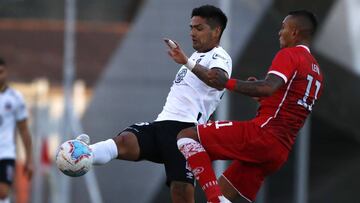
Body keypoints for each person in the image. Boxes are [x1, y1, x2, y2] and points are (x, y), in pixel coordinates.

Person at [76, 5, 232, 203]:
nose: (192, 33)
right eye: (191, 27)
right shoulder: (195, 56)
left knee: (181, 193)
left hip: (186, 134)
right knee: (124, 141)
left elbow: (218, 81)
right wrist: (188, 61)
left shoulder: (220, 56)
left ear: (216, 31)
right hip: (162, 124)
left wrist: (187, 62)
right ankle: (80, 155)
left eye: (199, 28)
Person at [173, 10, 323, 203]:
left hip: (262, 135)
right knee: (224, 194)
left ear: (294, 32)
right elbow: (291, 105)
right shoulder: (317, 72)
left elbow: (267, 87)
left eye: (283, 27)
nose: (279, 32)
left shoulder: (290, 54)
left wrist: (226, 82)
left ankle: (214, 198)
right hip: (279, 151)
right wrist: (261, 97)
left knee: (187, 136)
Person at [0, 58, 33, 203]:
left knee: (2, 191)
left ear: (6, 72)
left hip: (6, 152)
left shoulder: (15, 98)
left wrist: (29, 159)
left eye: (0, 72)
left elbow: (24, 130)